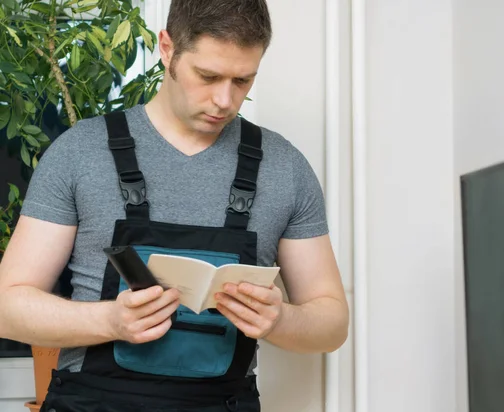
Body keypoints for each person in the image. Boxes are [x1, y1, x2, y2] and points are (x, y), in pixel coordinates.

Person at [0, 0, 349, 410]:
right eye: (208, 75)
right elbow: (7, 307)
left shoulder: (284, 167)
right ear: (167, 48)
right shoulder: (80, 152)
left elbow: (332, 324)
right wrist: (110, 321)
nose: (224, 100)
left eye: (243, 80)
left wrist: (282, 320)